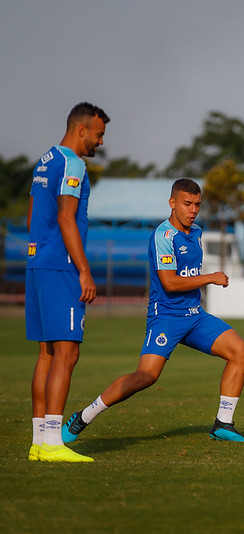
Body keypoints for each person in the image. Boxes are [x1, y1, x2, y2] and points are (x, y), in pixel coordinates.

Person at [62, 179, 244, 446]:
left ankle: (223, 423)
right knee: (146, 377)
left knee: (241, 352)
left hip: (195, 316)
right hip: (166, 317)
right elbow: (170, 282)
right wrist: (210, 277)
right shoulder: (163, 236)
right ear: (172, 203)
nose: (193, 210)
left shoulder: (196, 232)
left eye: (197, 204)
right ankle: (84, 416)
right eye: (187, 204)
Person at [26, 102, 109, 463]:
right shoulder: (73, 164)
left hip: (37, 263)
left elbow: (32, 213)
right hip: (61, 268)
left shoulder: (44, 160)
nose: (100, 142)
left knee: (46, 353)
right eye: (99, 134)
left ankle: (38, 441)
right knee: (68, 352)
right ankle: (53, 444)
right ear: (81, 129)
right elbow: (66, 216)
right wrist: (84, 270)